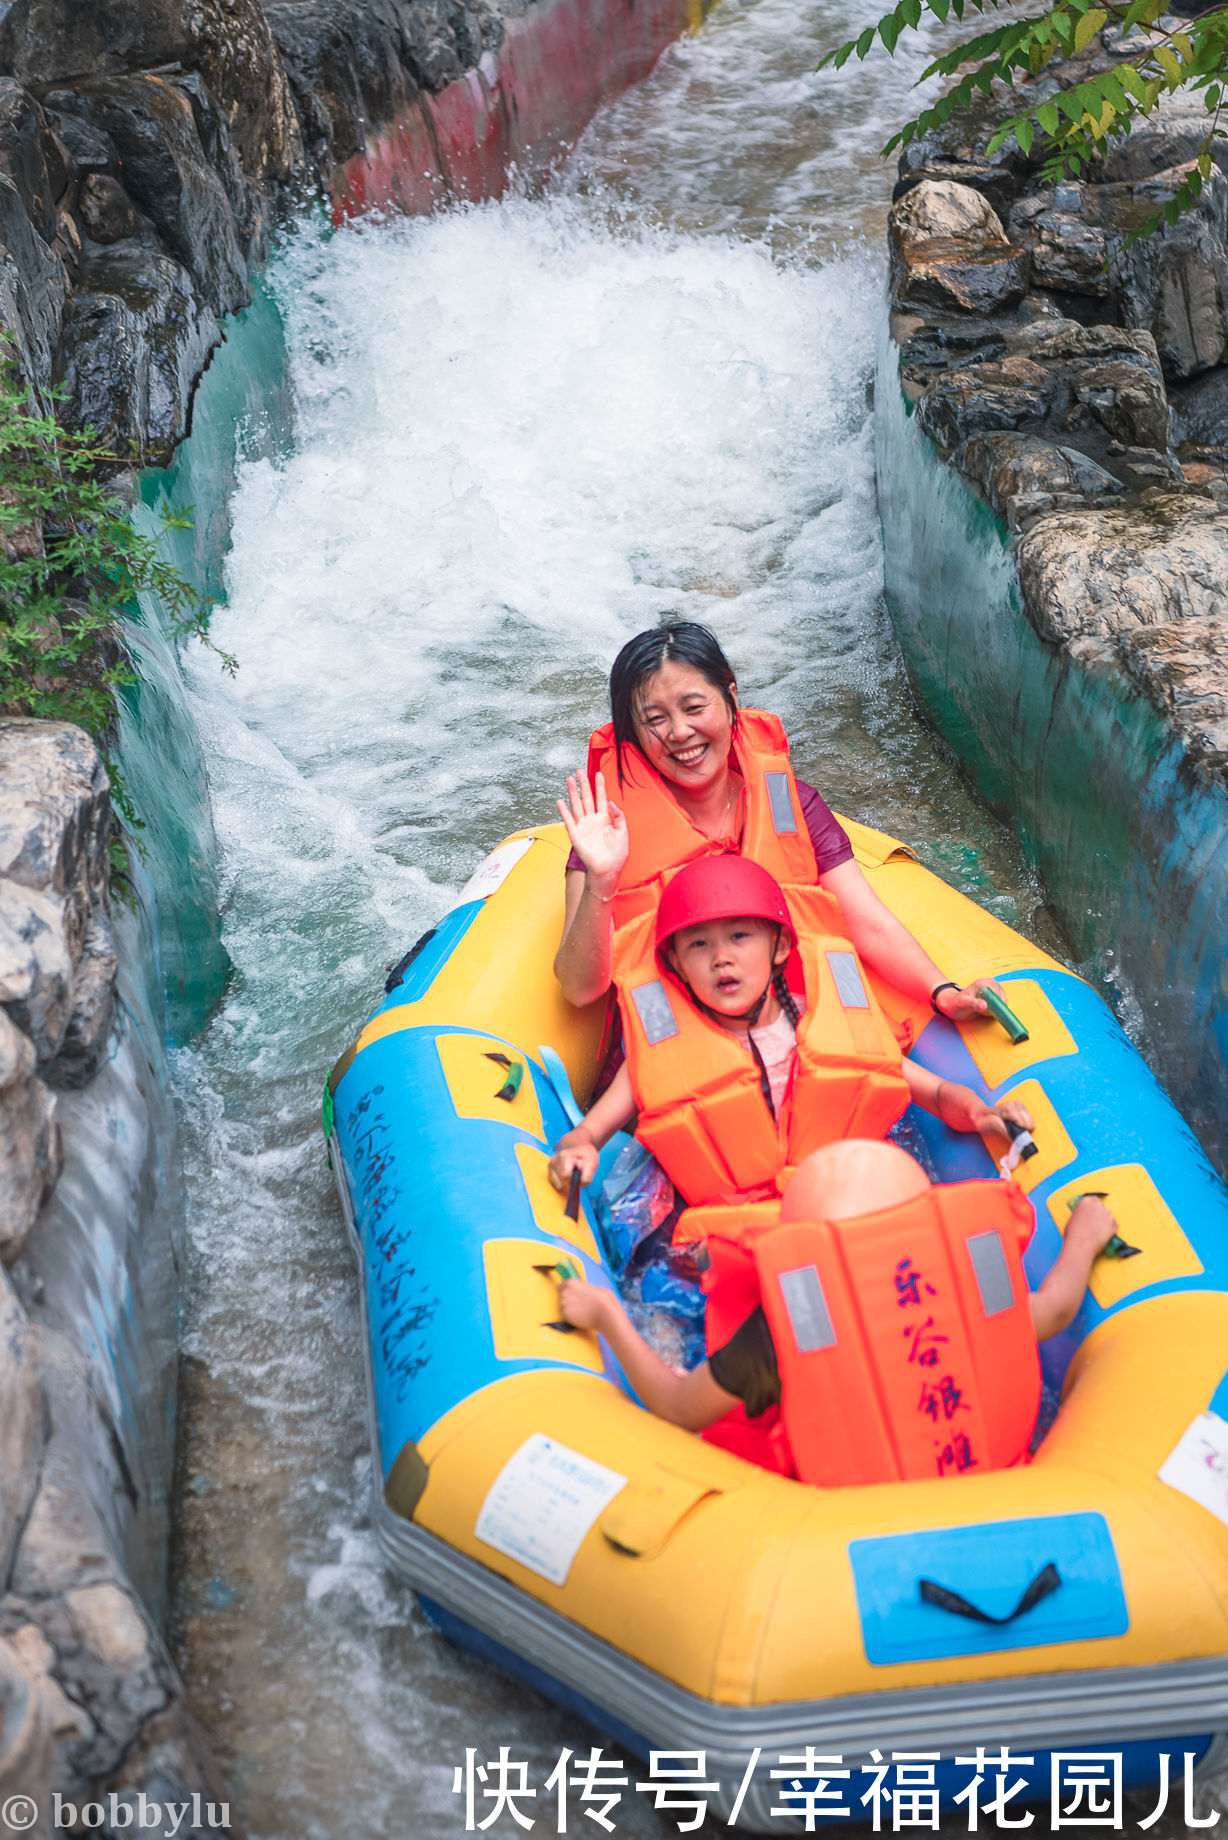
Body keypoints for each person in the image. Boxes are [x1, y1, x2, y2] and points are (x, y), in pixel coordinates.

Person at [554, 1140, 1119, 1485]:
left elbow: (678, 1408)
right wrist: (1084, 1239)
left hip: (846, 1532)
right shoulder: (973, 1285)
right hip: (999, 1492)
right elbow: (1053, 1309)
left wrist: (605, 1313)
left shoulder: (788, 1326)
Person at [553, 623, 999, 1035]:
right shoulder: (606, 830)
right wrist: (602, 880)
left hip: (801, 1029)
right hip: (679, 1051)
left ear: (730, 696)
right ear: (632, 730)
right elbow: (579, 989)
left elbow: (871, 926)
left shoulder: (795, 806)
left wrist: (943, 992)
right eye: (654, 720)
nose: (679, 732)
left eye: (694, 707)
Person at [547, 855, 1031, 1214]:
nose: (721, 958)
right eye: (699, 945)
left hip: (846, 1204)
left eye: (740, 937)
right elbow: (590, 1132)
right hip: (736, 1236)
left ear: (780, 947)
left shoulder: (824, 1026)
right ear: (674, 964)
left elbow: (937, 1092)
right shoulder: (657, 1058)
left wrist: (983, 1114)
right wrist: (579, 1147)